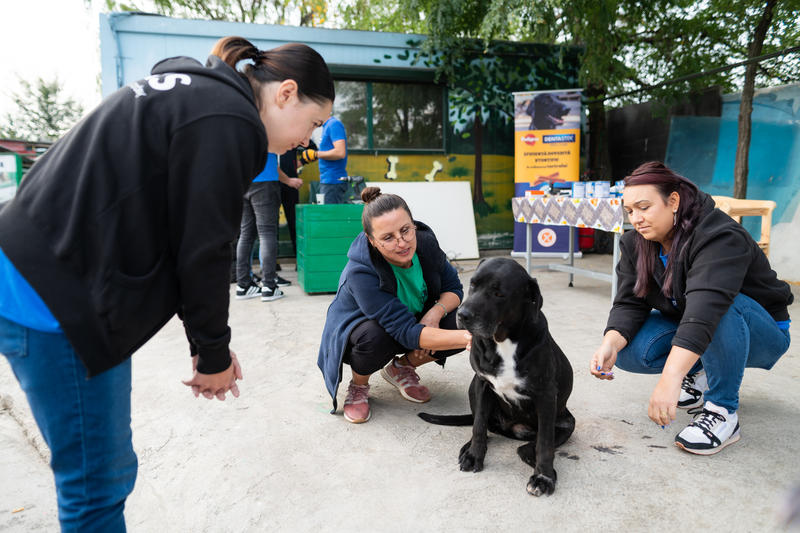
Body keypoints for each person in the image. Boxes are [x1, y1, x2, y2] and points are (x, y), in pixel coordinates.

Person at [0, 36, 333, 530]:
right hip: (53, 296)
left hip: (38, 265)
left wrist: (205, 343)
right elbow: (204, 251)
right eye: (314, 122)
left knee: (100, 476)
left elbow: (182, 235)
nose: (309, 140)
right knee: (97, 485)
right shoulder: (230, 120)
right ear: (286, 93)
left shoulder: (195, 92)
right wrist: (214, 354)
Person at [590, 161, 792, 455]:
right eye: (630, 210)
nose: (636, 218)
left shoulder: (718, 235)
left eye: (644, 207)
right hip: (700, 319)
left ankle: (722, 410)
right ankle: (702, 372)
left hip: (761, 332)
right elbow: (630, 301)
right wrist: (610, 341)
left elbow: (706, 310)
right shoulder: (637, 243)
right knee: (629, 350)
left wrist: (670, 378)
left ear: (673, 201)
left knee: (721, 305)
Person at [317, 187, 472, 423]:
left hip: (412, 321)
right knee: (377, 335)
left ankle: (400, 368)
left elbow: (454, 288)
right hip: (362, 334)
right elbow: (405, 332)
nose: (402, 243)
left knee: (459, 319)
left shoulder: (425, 244)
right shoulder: (360, 272)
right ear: (372, 240)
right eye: (388, 237)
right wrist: (470, 339)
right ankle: (359, 386)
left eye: (405, 230)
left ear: (413, 225)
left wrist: (434, 313)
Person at [234, 152, 300, 302]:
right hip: (265, 181)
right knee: (267, 233)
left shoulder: (240, 128)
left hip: (243, 181)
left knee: (245, 234)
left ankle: (243, 285)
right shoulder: (267, 128)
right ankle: (269, 286)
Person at [301, 115, 348, 204]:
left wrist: (316, 154)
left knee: (331, 216)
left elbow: (340, 152)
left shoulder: (334, 125)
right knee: (329, 216)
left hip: (333, 181)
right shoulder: (326, 126)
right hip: (329, 181)